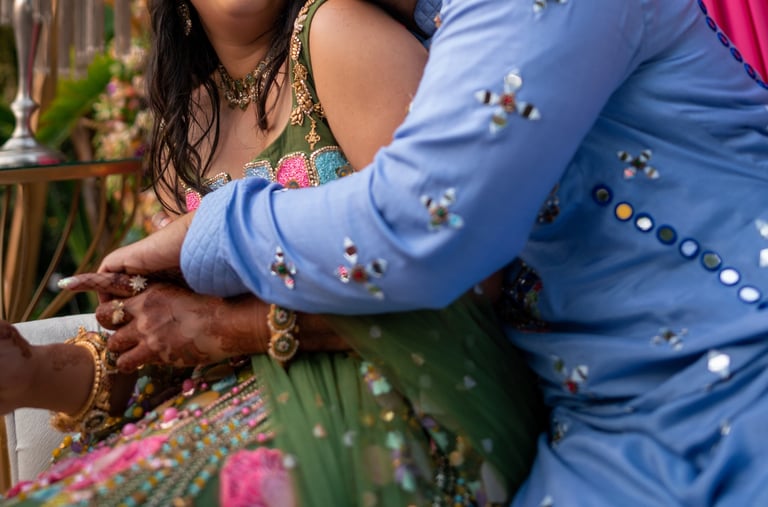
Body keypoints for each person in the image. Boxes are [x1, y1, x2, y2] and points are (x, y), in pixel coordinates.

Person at [82, 0, 768, 505]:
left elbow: (426, 224)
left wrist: (210, 235)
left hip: (740, 386)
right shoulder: (416, 29)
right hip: (600, 438)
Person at [0, 0, 544, 505]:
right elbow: (174, 339)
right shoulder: (184, 128)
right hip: (228, 405)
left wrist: (240, 325)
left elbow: (469, 274)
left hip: (408, 401)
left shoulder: (335, 33)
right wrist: (34, 371)